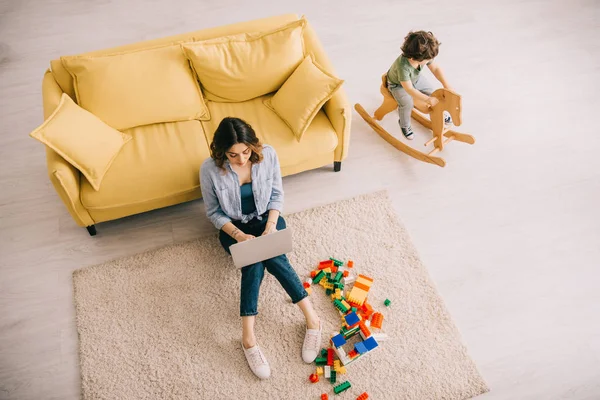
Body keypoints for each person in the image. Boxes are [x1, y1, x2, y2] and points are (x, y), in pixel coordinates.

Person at [199, 117, 322, 380]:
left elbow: (277, 195)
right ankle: (248, 339)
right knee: (253, 264)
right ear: (221, 152)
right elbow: (213, 212)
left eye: (245, 152)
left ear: (253, 146)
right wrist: (239, 235)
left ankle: (313, 320)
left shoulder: (268, 155)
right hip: (233, 229)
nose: (241, 160)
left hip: (268, 219)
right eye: (233, 155)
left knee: (274, 255)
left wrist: (270, 226)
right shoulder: (209, 169)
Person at [386, 30, 454, 140]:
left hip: (415, 79)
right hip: (398, 85)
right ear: (414, 58)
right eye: (427, 60)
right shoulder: (403, 66)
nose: (429, 61)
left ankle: (441, 114)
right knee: (407, 103)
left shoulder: (424, 55)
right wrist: (427, 99)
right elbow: (409, 89)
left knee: (434, 93)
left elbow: (435, 68)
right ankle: (404, 124)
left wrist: (446, 85)